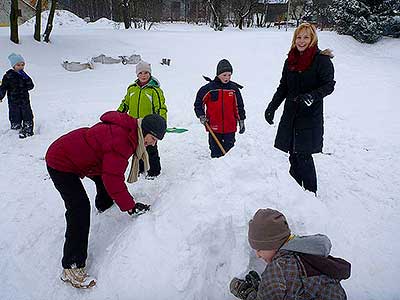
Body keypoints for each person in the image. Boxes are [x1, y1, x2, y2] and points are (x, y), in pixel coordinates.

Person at [45, 112, 167, 288]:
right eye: (153, 138)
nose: (153, 143)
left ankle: (105, 205)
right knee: (79, 208)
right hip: (61, 161)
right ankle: (72, 267)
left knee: (104, 179)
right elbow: (113, 179)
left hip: (84, 156)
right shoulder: (122, 141)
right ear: (145, 130)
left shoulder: (131, 131)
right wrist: (130, 207)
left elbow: (110, 174)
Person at [264, 23, 335, 193]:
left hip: (309, 115)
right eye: (299, 37)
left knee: (303, 155)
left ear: (312, 39)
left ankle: (310, 195)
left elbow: (329, 85)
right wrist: (272, 107)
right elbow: (283, 87)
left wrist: (312, 96)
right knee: (293, 154)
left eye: (306, 37)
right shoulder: (290, 61)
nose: (301, 41)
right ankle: (295, 194)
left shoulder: (321, 60)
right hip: (291, 114)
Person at [230, 208, 350, 300]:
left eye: (260, 249)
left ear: (273, 245)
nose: (257, 255)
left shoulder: (277, 270)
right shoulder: (305, 253)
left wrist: (249, 293)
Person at [117, 60, 168, 179]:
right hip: (134, 124)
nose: (143, 75)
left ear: (150, 74)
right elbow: (125, 104)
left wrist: (161, 124)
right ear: (137, 74)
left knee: (150, 148)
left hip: (149, 126)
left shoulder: (154, 90)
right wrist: (118, 115)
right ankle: (140, 168)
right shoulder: (132, 89)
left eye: (146, 73)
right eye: (141, 73)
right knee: (137, 147)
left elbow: (161, 108)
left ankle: (154, 170)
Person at [194, 59, 246, 158]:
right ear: (218, 74)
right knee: (215, 151)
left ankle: (229, 172)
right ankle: (216, 170)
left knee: (229, 152)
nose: (227, 77)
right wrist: (201, 115)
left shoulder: (234, 89)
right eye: (224, 75)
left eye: (229, 75)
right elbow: (198, 103)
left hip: (230, 127)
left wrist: (241, 120)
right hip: (214, 127)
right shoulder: (209, 88)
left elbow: (239, 106)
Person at [0, 53, 35, 138]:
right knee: (15, 114)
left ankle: (28, 129)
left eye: (22, 65)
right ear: (13, 66)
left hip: (24, 101)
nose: (21, 67)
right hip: (13, 101)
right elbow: (3, 87)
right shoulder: (8, 76)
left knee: (27, 115)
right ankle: (16, 127)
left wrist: (26, 78)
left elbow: (31, 86)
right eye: (18, 65)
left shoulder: (24, 75)